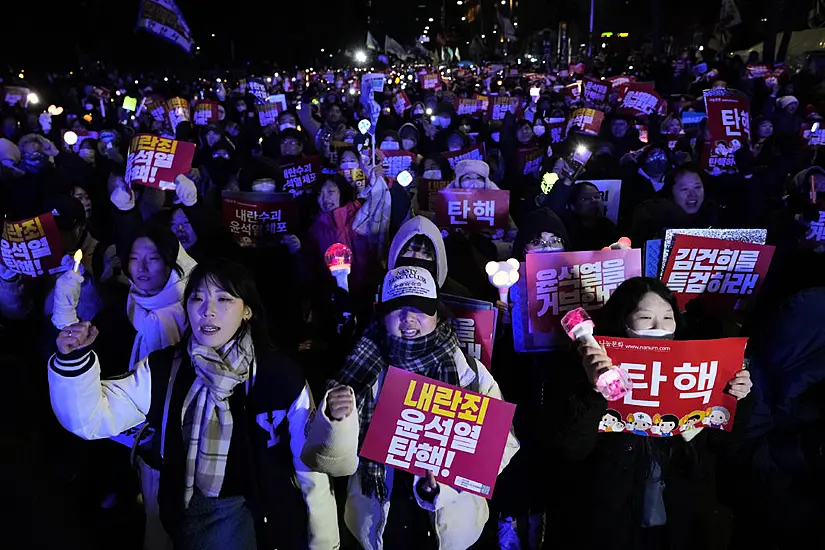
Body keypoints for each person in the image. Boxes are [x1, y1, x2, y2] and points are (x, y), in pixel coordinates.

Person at [48, 259, 339, 550]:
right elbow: (93, 418)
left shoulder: (278, 376)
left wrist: (324, 542)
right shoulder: (165, 369)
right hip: (183, 517)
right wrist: (74, 359)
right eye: (197, 298)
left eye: (224, 299)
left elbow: (310, 467)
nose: (207, 310)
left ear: (247, 311)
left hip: (265, 521)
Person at [301, 265, 519, 550]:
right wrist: (336, 422)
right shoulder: (360, 370)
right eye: (397, 309)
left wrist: (444, 486)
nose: (408, 319)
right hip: (378, 524)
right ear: (382, 314)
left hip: (453, 524)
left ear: (437, 313)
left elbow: (504, 444)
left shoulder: (470, 373)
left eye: (420, 309)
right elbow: (333, 465)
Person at [558, 277, 752, 550]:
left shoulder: (696, 368)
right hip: (613, 517)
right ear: (622, 320)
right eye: (646, 317)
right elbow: (572, 449)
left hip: (678, 518)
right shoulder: (588, 367)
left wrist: (734, 398)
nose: (659, 328)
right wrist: (593, 391)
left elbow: (724, 447)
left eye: (668, 318)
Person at [630, 166, 719, 243]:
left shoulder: (712, 215)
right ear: (671, 191)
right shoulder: (651, 217)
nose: (692, 195)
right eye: (684, 189)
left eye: (697, 187)